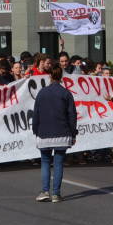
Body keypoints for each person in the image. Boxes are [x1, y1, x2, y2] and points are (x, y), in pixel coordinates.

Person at [32, 64, 78, 203]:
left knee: (45, 162)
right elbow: (72, 115)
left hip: (44, 133)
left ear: (49, 76)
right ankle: (56, 194)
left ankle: (45, 191)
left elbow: (36, 114)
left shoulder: (42, 93)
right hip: (62, 133)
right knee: (58, 163)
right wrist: (73, 133)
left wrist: (35, 130)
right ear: (61, 77)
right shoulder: (66, 93)